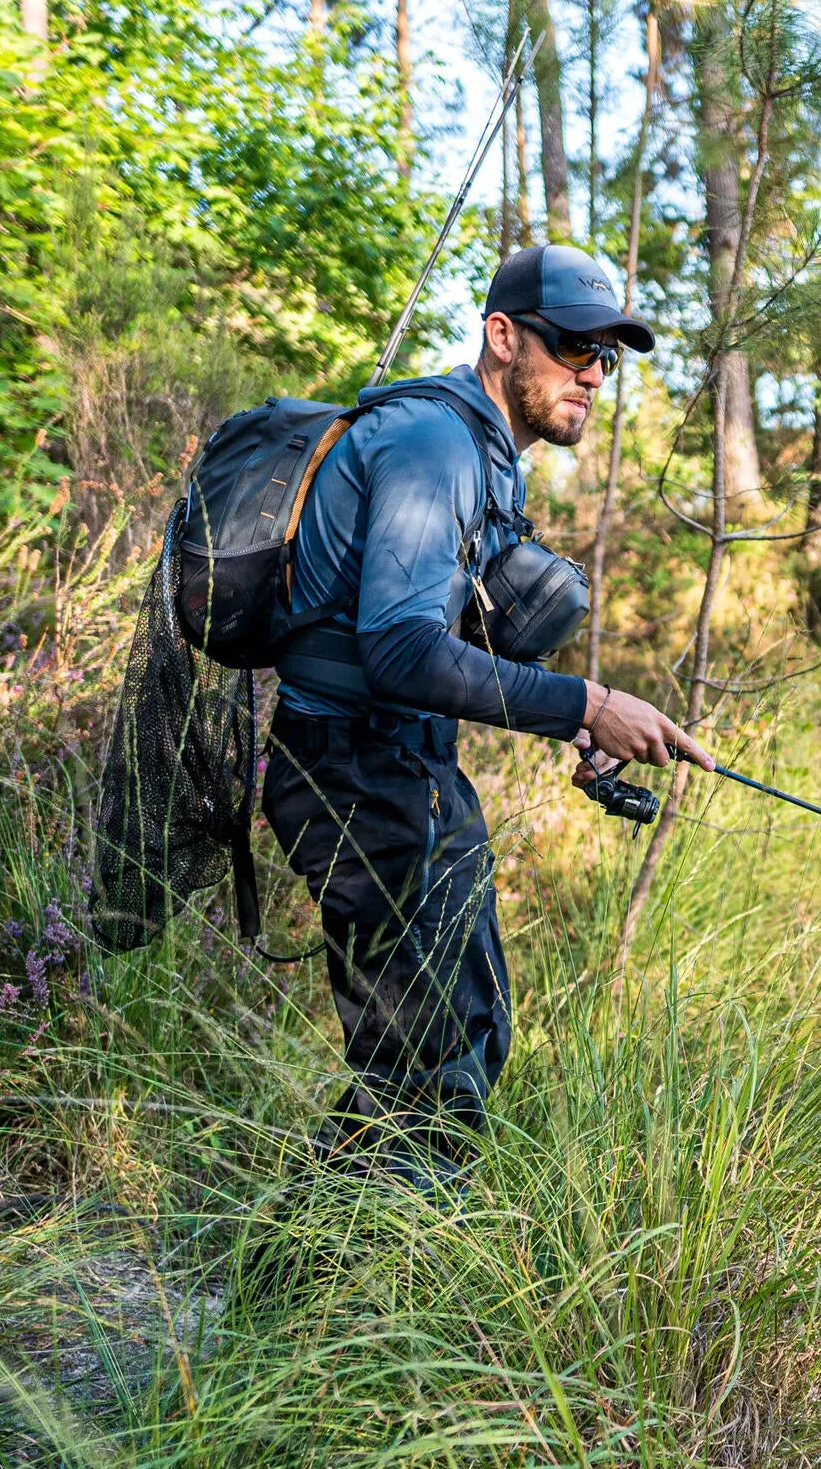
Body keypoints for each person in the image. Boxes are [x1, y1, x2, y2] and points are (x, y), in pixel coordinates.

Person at [264, 243, 710, 1171]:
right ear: (503, 337)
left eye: (608, 358)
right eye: (572, 348)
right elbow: (397, 650)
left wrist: (577, 722)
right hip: (352, 767)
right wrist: (586, 702)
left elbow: (448, 640)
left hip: (405, 764)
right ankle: (333, 1293)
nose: (592, 375)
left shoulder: (487, 455)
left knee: (464, 1033)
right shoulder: (434, 446)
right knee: (426, 1070)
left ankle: (299, 1275)